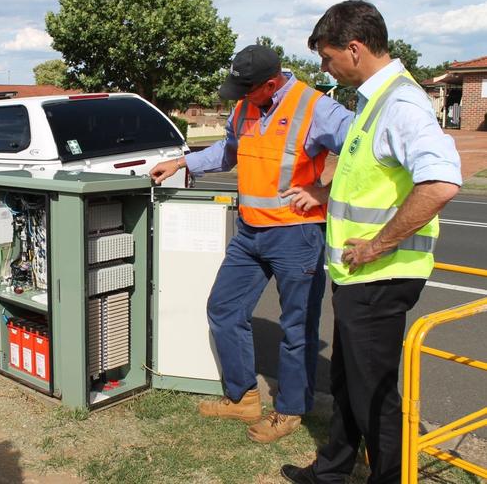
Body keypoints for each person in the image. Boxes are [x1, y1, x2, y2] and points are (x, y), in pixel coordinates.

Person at [279, 0, 461, 483]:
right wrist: (320, 191)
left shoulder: (400, 104)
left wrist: (377, 245)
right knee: (346, 381)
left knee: (374, 394)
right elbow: (371, 177)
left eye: (327, 56)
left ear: (354, 49)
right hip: (360, 276)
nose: (324, 67)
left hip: (381, 275)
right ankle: (333, 471)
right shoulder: (373, 101)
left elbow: (440, 183)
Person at [150, 44, 353, 443]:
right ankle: (243, 396)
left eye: (247, 90)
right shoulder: (246, 108)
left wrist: (325, 191)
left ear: (272, 83)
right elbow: (227, 152)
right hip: (250, 233)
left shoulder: (316, 108)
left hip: (296, 234)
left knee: (297, 327)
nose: (239, 98)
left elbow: (362, 152)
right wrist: (181, 163)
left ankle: (291, 410)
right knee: (224, 308)